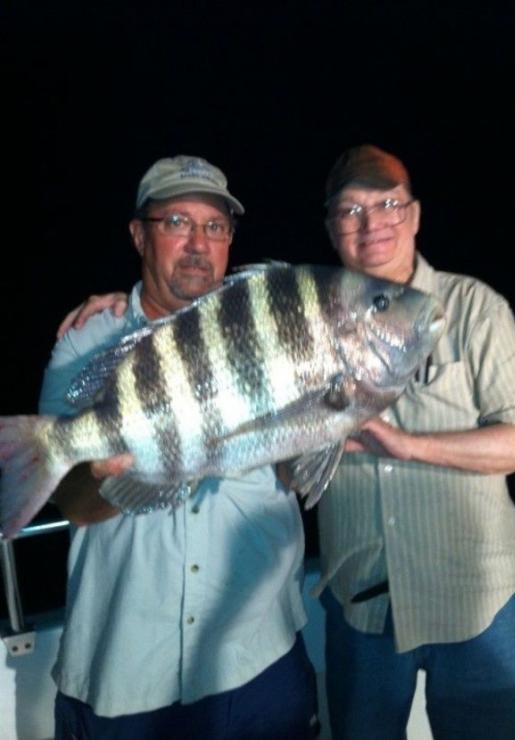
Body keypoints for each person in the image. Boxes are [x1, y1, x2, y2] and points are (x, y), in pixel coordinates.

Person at [40, 154, 318, 740]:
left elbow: (296, 472)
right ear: (140, 234)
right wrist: (110, 470)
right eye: (177, 223)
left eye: (215, 227)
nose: (198, 243)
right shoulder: (88, 345)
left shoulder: (275, 329)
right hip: (128, 677)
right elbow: (74, 504)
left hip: (258, 658)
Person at [313, 144, 515, 739]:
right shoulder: (309, 320)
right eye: (352, 210)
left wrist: (409, 444)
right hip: (361, 609)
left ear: (415, 216)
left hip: (477, 608)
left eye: (388, 204)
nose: (372, 225)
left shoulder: (475, 310)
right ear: (333, 229)